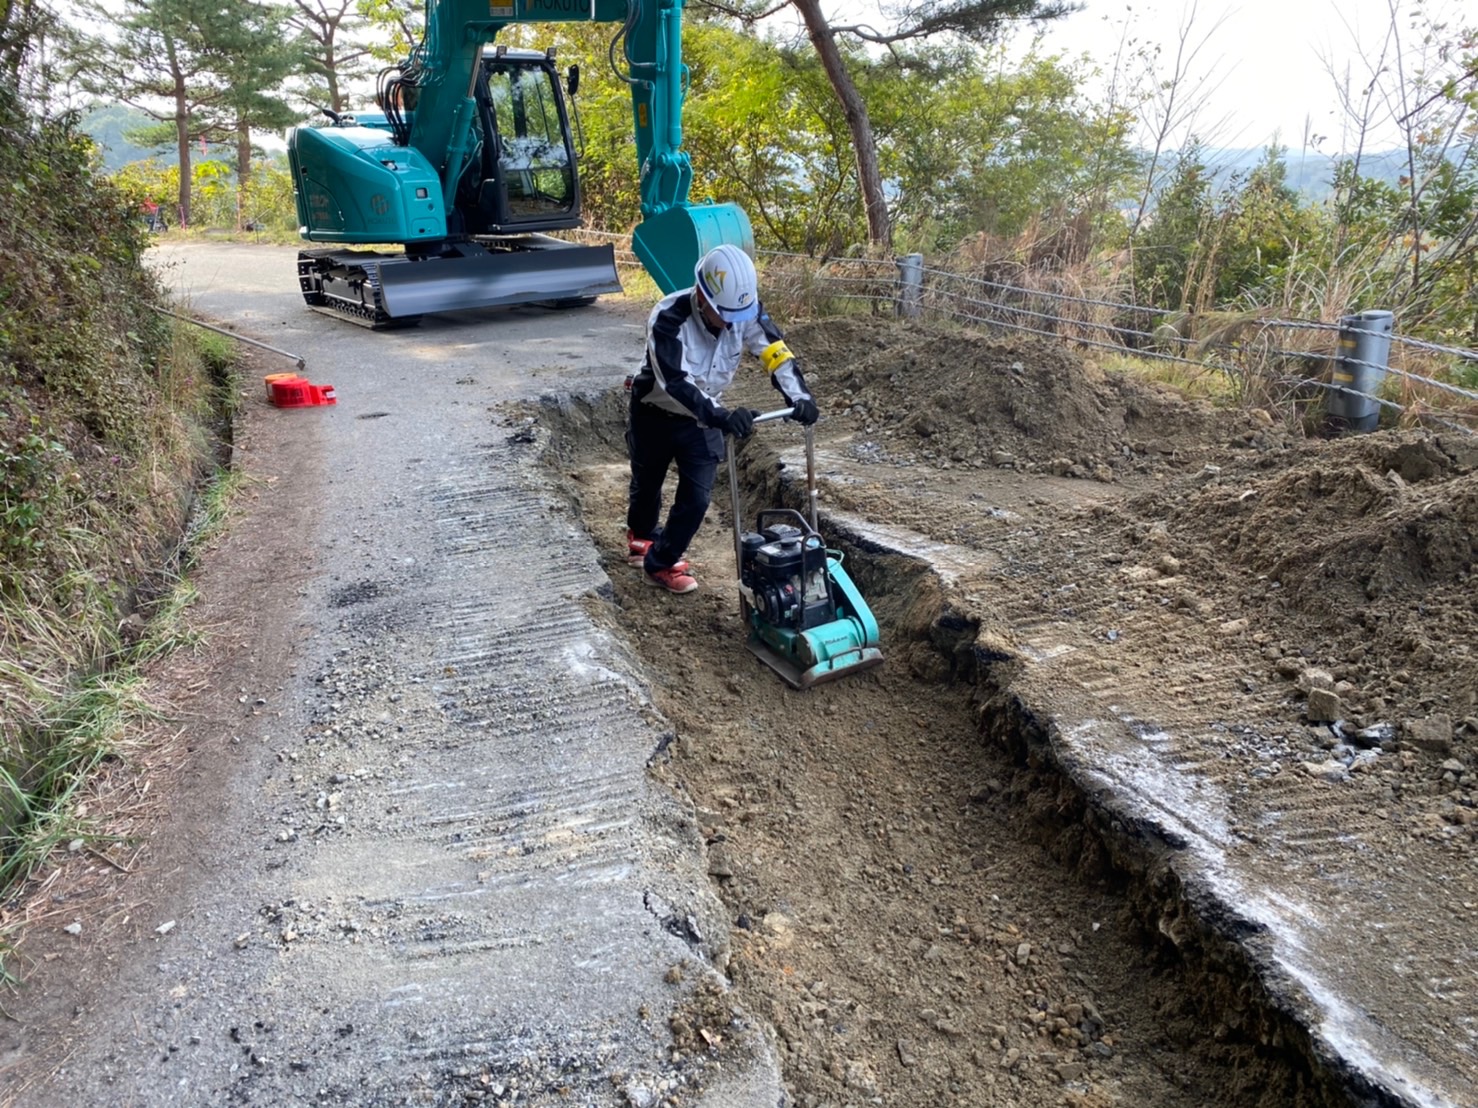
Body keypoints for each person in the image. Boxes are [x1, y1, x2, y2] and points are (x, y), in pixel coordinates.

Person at [625, 243, 820, 594]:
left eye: (738, 316)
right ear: (702, 295)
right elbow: (676, 383)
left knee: (697, 498)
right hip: (655, 411)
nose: (732, 323)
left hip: (701, 419)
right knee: (647, 484)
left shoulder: (744, 312)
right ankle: (640, 537)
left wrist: (799, 397)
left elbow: (775, 352)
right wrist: (722, 416)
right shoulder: (668, 317)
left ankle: (662, 562)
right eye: (724, 315)